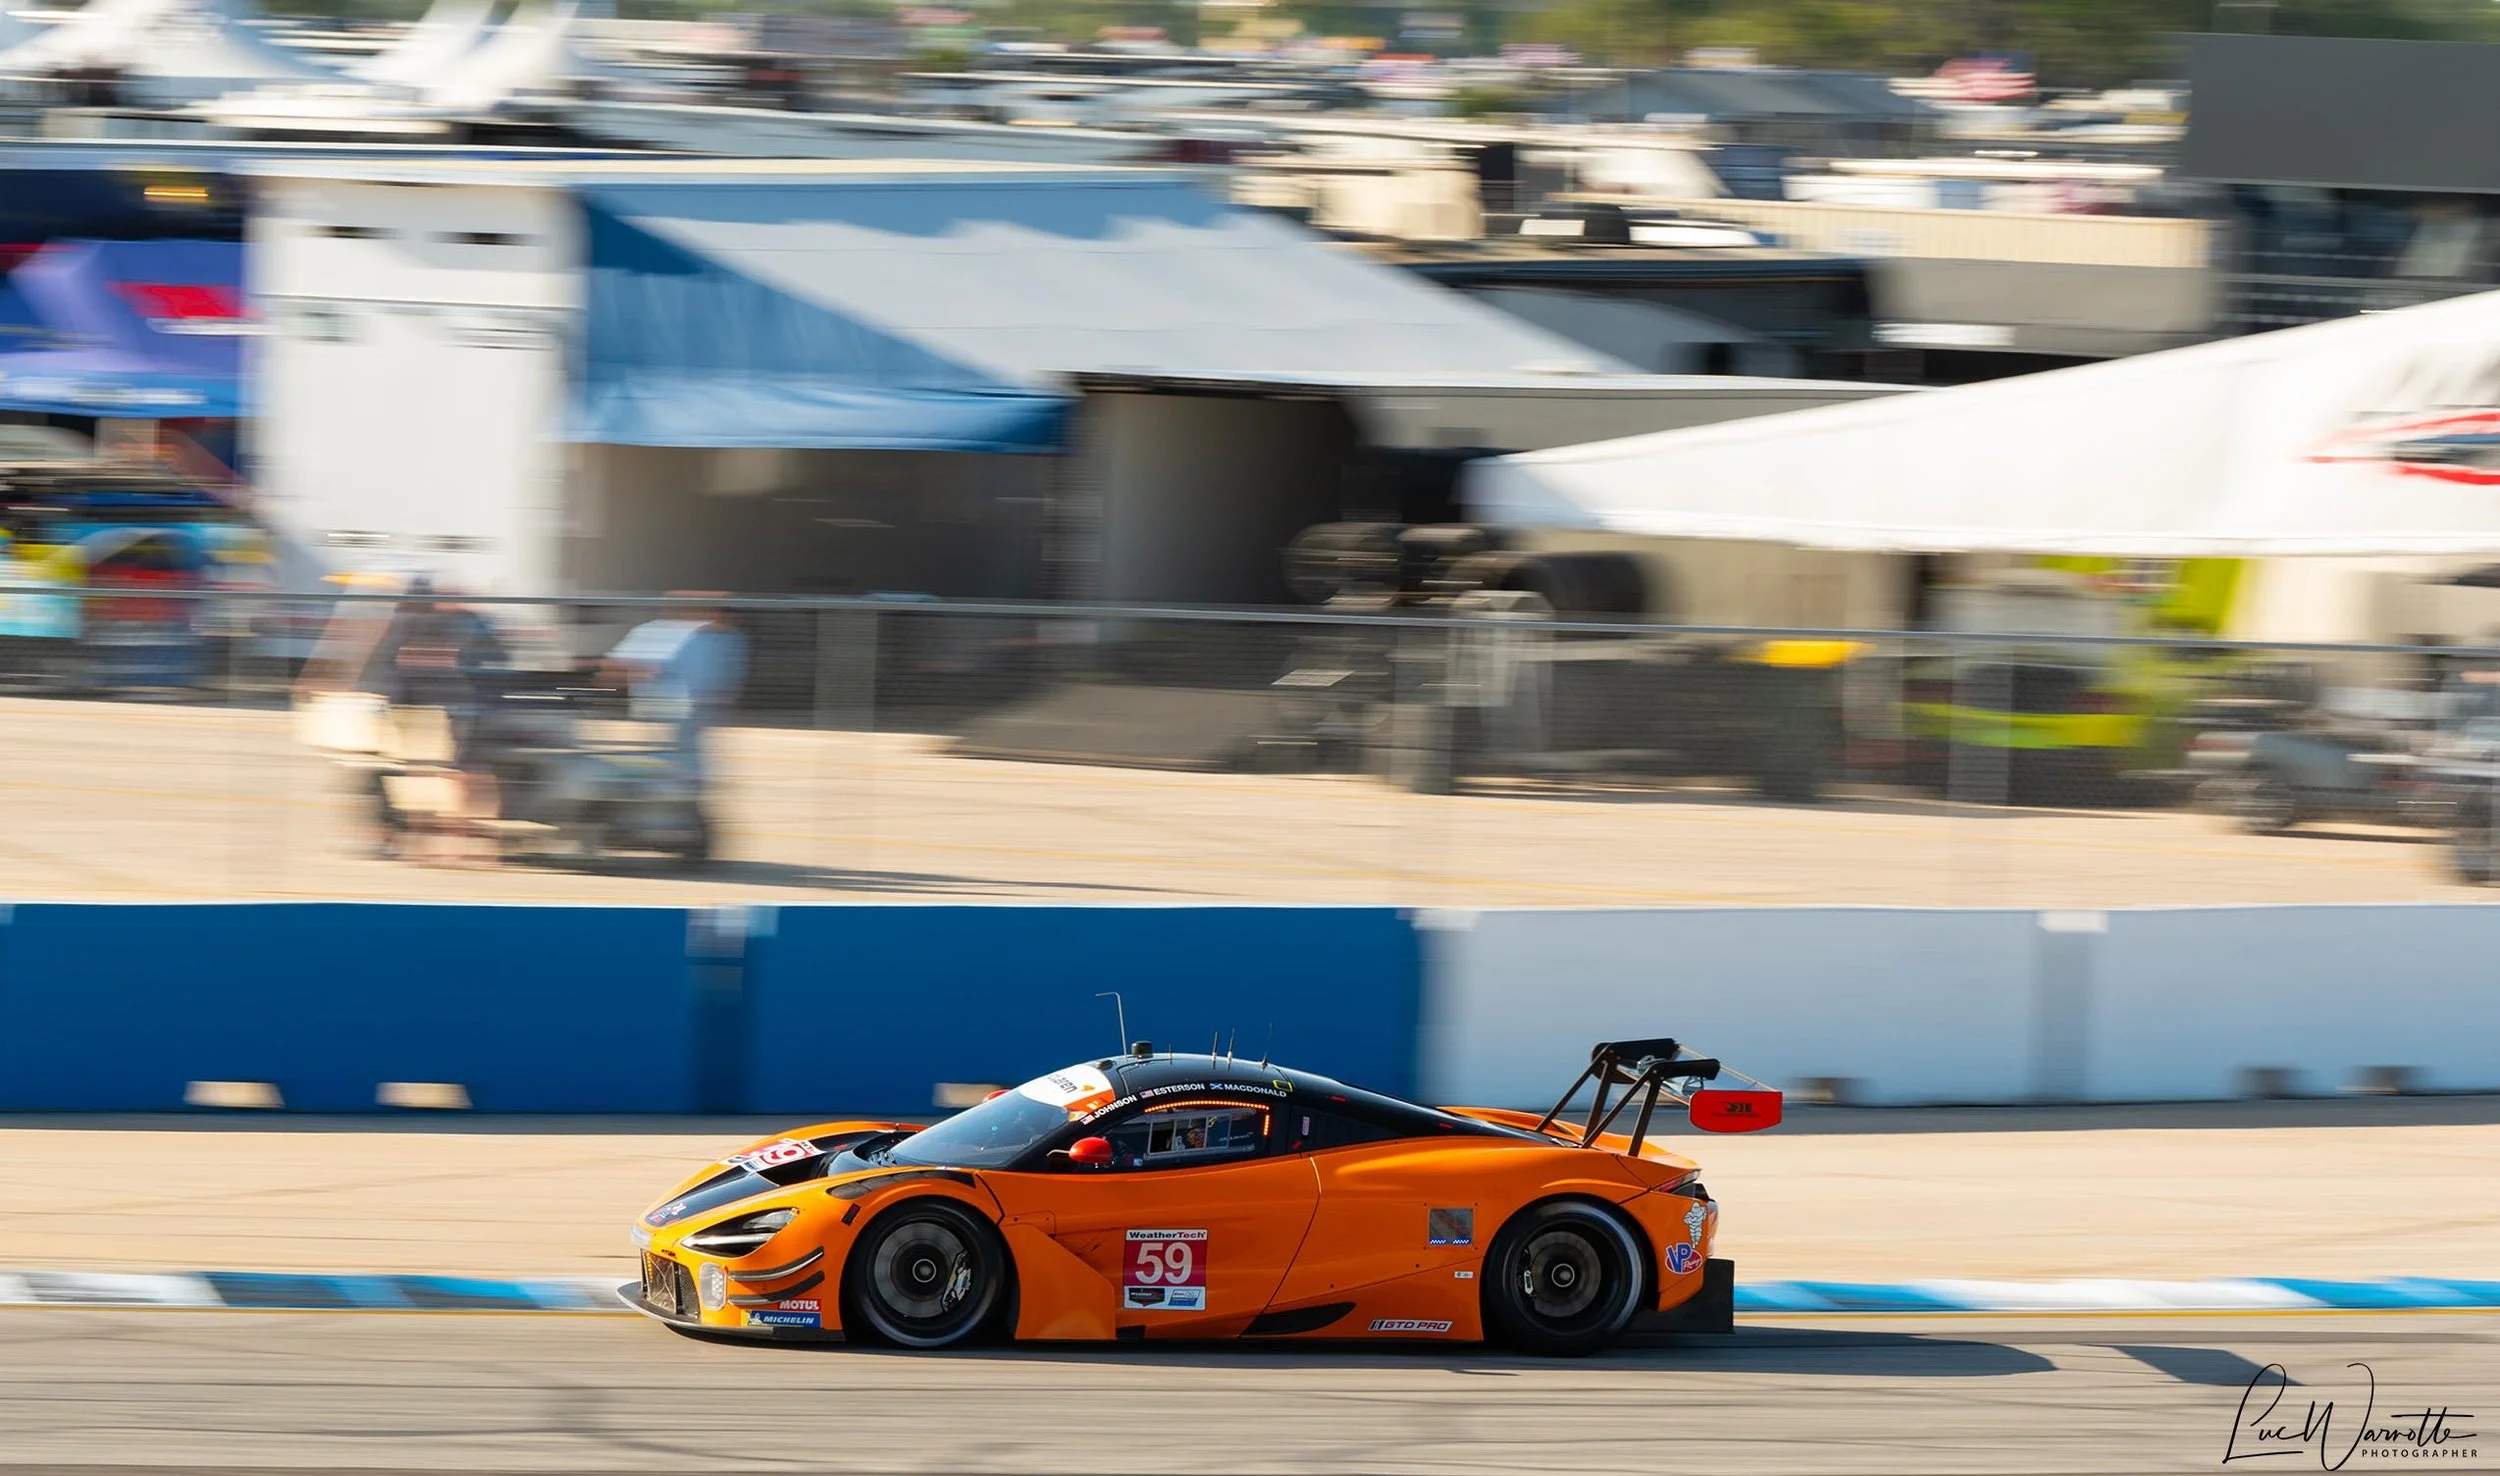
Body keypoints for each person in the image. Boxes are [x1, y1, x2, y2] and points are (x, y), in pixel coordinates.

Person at [605, 593, 747, 822]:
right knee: (666, 767)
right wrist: (642, 673)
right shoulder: (657, 632)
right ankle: (658, 811)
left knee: (686, 769)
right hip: (663, 713)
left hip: (697, 713)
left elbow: (728, 678)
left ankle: (683, 812)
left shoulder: (727, 638)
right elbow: (614, 669)